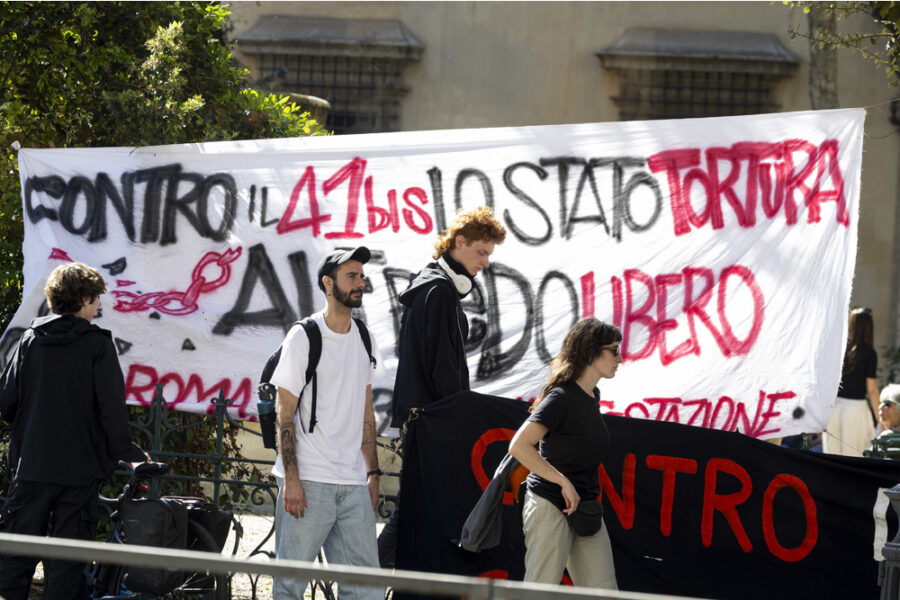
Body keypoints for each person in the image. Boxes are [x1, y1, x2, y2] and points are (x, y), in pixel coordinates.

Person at [0, 262, 147, 600]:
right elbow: (112, 411)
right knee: (67, 560)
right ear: (83, 299)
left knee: (17, 553)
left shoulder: (29, 341)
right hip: (78, 473)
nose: (98, 306)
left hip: (31, 467)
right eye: (96, 299)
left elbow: (7, 404)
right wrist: (127, 453)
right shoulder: (98, 346)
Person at [378, 205, 506, 567]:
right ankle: (359, 580)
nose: (485, 261)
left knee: (419, 513)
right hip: (435, 425)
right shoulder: (439, 293)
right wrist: (458, 419)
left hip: (428, 421)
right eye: (481, 251)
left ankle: (362, 580)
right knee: (412, 514)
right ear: (459, 241)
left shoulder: (434, 289)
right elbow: (443, 372)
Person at [271, 246, 384, 600]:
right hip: (309, 481)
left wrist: (372, 473)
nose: (359, 283)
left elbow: (366, 412)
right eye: (351, 276)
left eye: (362, 276)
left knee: (366, 588)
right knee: (290, 586)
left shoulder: (365, 338)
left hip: (352, 482)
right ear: (327, 282)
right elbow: (283, 412)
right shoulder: (304, 336)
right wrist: (291, 479)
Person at [508, 317, 622, 589]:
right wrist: (562, 481)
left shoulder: (593, 395)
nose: (619, 358)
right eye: (614, 350)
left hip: (585, 508)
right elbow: (519, 446)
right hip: (548, 502)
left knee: (605, 592)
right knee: (540, 590)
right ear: (591, 353)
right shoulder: (561, 397)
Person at [824, 307, 880, 457]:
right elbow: (872, 390)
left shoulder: (840, 349)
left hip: (834, 408)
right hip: (855, 409)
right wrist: (880, 420)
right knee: (854, 457)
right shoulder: (869, 353)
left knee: (832, 457)